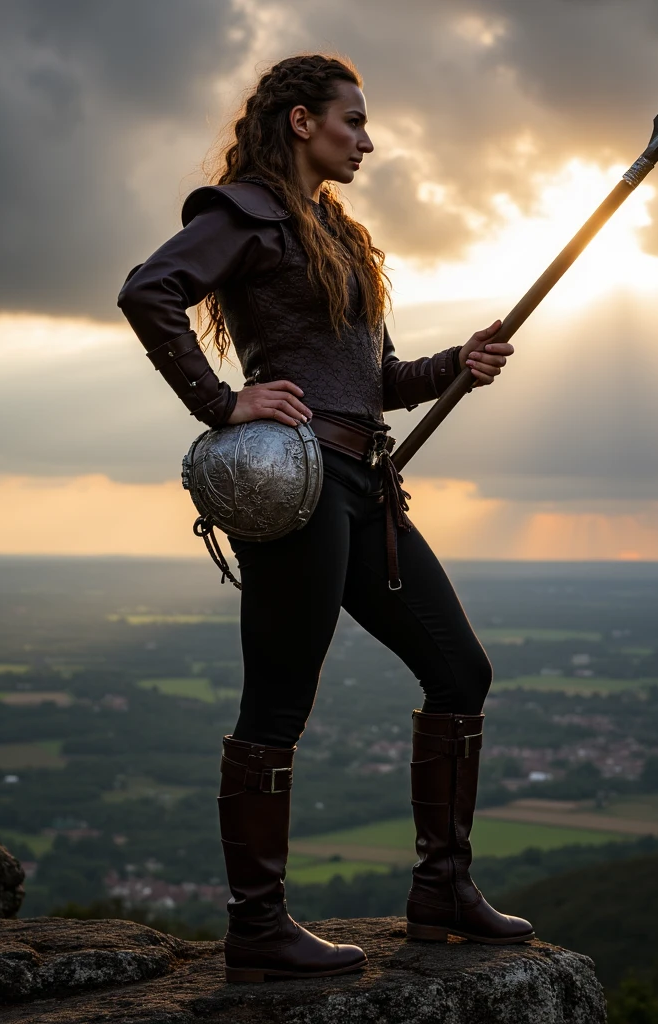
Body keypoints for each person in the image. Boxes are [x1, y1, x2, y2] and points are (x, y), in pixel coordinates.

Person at [118, 53, 534, 985]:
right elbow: (149, 292)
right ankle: (258, 928)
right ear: (301, 121)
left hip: (366, 481)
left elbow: (377, 383)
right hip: (294, 486)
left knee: (460, 667)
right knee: (279, 702)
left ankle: (442, 893)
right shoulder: (243, 212)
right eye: (353, 121)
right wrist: (221, 403)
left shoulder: (337, 234)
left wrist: (455, 365)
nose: (367, 139)